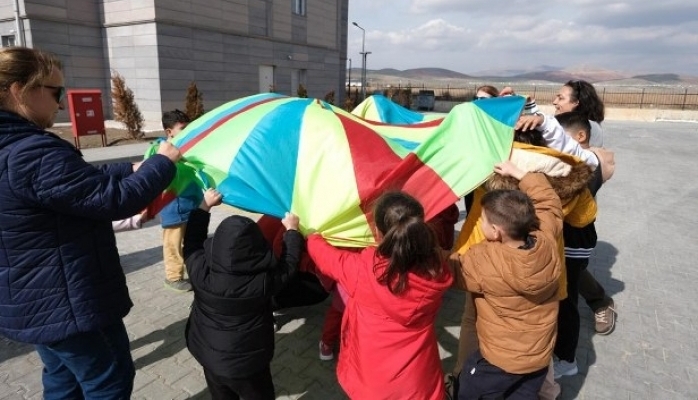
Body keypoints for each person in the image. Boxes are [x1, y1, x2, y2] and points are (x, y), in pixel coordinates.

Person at [0, 46, 180, 399]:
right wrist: (163, 163)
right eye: (56, 92)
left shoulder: (13, 147)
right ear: (20, 90)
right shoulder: (30, 152)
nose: (62, 104)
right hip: (67, 301)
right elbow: (112, 201)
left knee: (62, 378)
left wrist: (128, 168)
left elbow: (72, 183)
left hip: (33, 301)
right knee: (108, 381)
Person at [306, 191, 453, 400]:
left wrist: (310, 235)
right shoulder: (436, 271)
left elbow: (326, 257)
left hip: (373, 382)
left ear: (376, 232)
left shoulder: (361, 270)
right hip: (419, 382)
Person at [183, 189, 303, 400]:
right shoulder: (264, 281)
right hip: (249, 364)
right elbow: (290, 265)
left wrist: (204, 205)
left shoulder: (200, 271)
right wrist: (291, 232)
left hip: (210, 356)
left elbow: (192, 242)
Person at [457, 161, 562, 399]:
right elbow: (549, 203)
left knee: (468, 391)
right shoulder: (545, 240)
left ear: (496, 231)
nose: (480, 223)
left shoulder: (482, 262)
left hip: (498, 362)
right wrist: (520, 173)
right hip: (538, 358)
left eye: (482, 220)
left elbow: (445, 270)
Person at [552, 111, 616, 378]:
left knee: (566, 303)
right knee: (564, 301)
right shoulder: (580, 160)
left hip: (573, 245)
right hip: (573, 243)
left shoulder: (585, 164)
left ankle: (566, 359)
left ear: (580, 137)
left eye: (559, 139)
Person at [159, 109, 199, 292]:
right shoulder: (160, 151)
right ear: (169, 132)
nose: (187, 131)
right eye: (183, 128)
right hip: (173, 208)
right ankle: (173, 277)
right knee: (173, 244)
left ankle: (195, 271)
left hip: (190, 204)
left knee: (191, 240)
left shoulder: (188, 148)